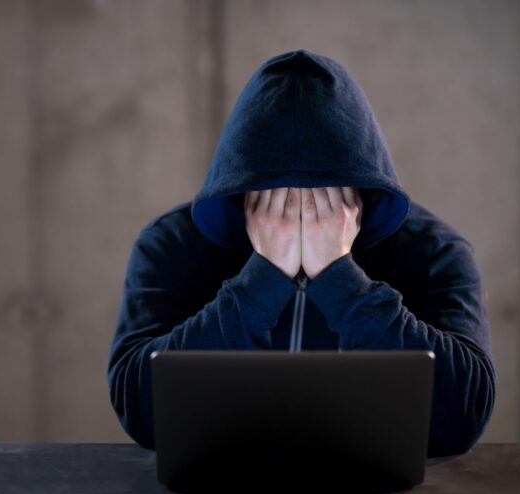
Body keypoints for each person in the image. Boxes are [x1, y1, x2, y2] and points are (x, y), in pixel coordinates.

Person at [107, 49, 495, 457]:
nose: (301, 214)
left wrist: (341, 279)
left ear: (358, 192)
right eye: (279, 193)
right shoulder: (172, 245)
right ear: (242, 189)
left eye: (323, 194)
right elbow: (140, 410)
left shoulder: (432, 250)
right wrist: (262, 281)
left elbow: (463, 416)